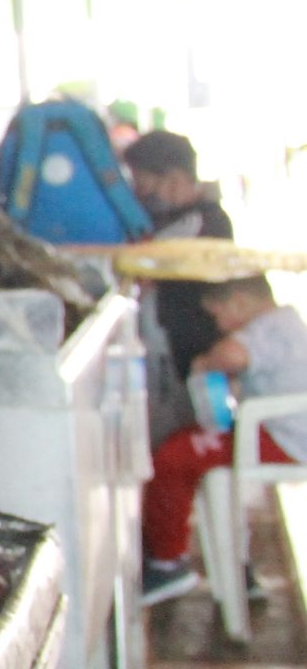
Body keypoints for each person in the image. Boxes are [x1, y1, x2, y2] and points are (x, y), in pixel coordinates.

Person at [140, 275, 305, 604]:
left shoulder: (269, 327)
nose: (217, 324)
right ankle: (239, 568)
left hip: (286, 438)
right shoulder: (287, 325)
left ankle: (168, 561)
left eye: (218, 314)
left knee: (174, 455)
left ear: (241, 303)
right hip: (280, 431)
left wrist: (205, 362)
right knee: (195, 447)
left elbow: (232, 356)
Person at [122, 129, 234, 388]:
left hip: (186, 360)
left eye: (144, 185)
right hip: (170, 357)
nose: (140, 195)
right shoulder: (177, 221)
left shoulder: (201, 223)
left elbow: (146, 265)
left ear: (173, 179)